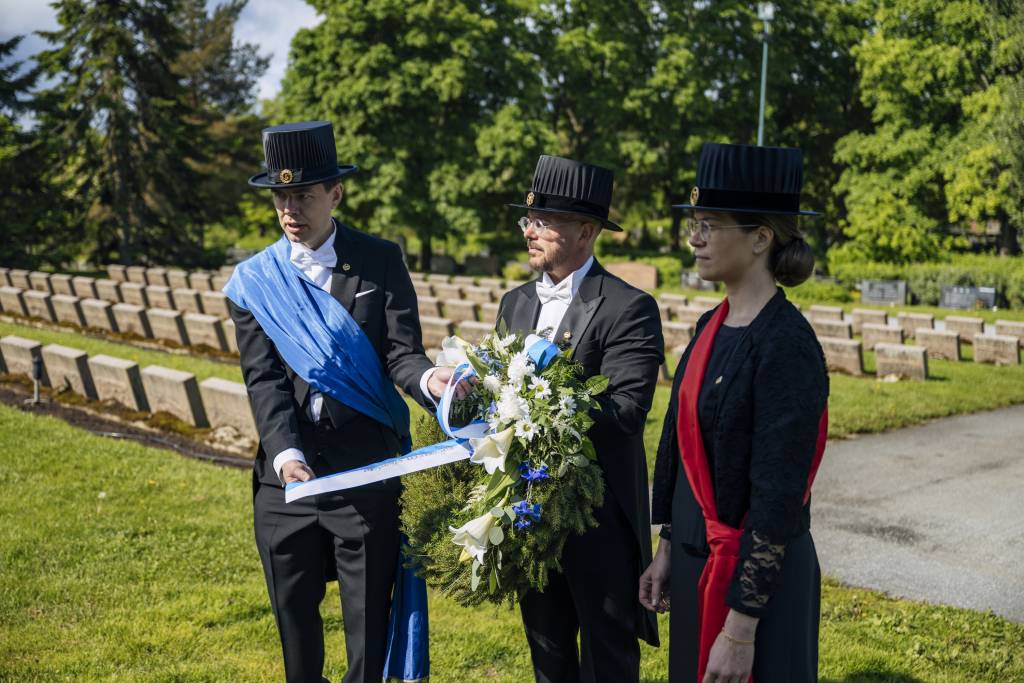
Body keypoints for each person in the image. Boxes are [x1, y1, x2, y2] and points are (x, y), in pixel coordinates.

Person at [223, 120, 460, 683]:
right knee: (296, 635)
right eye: (281, 197)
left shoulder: (380, 260)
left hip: (366, 471)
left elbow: (402, 354)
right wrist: (284, 456)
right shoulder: (254, 281)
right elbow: (265, 381)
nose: (289, 209)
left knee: (366, 632)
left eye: (303, 195)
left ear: (336, 193)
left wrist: (433, 384)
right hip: (288, 480)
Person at [640, 143, 830, 683]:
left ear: (760, 238)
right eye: (694, 222)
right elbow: (681, 451)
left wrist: (741, 627)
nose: (694, 238)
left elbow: (778, 498)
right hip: (700, 568)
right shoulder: (710, 326)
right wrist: (670, 548)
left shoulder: (786, 344)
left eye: (709, 224)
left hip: (756, 587)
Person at [496, 154, 663, 683]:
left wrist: (542, 400)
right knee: (547, 655)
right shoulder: (514, 302)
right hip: (528, 513)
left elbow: (628, 412)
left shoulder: (629, 306)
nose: (531, 231)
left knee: (607, 660)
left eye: (545, 221)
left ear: (587, 231)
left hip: (599, 517)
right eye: (529, 220)